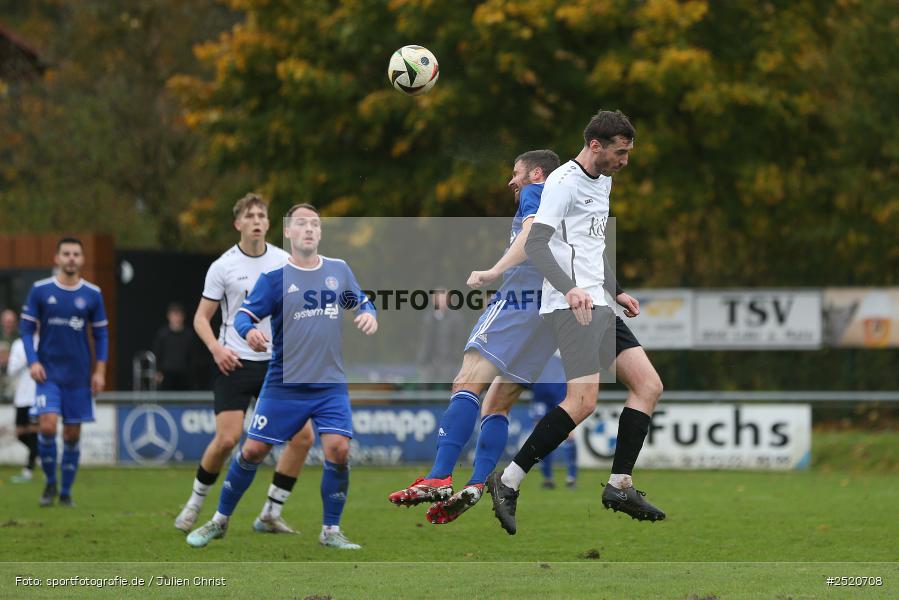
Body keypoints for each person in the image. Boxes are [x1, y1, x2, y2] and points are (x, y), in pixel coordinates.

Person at [487, 110, 665, 536]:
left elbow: (593, 244)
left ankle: (620, 485)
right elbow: (537, 245)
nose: (624, 161)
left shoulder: (604, 181)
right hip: (570, 306)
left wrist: (616, 290)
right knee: (582, 402)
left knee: (648, 386)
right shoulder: (562, 184)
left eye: (628, 153)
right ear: (595, 145)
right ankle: (507, 481)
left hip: (598, 302)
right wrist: (569, 289)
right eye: (619, 153)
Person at [186, 203, 377, 550]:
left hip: (329, 384)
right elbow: (243, 316)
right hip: (284, 384)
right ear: (288, 232)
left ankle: (330, 530)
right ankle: (219, 520)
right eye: (300, 224)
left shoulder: (338, 269)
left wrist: (368, 314)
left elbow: (362, 302)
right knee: (253, 450)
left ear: (320, 232)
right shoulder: (274, 279)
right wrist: (249, 332)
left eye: (314, 224)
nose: (309, 229)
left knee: (338, 449)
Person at [388, 149, 561, 508]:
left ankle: (438, 476)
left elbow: (530, 234)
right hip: (551, 314)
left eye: (516, 173)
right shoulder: (568, 201)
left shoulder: (536, 191)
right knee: (498, 403)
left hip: (520, 298)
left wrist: (495, 270)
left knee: (467, 381)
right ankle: (478, 482)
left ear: (536, 173)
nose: (512, 181)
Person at [174, 193, 315, 535]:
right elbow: (200, 318)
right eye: (250, 216)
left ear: (269, 224)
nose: (256, 221)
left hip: (277, 365)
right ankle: (194, 503)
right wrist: (216, 350)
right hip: (234, 362)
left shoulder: (284, 261)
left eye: (261, 216)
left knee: (303, 437)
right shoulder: (223, 266)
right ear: (238, 223)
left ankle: (270, 513)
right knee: (227, 440)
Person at [19, 237, 109, 507]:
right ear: (56, 258)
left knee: (72, 434)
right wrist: (33, 362)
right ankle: (50, 484)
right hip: (48, 375)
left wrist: (100, 372)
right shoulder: (40, 290)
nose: (71, 258)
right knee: (47, 425)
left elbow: (101, 335)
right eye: (66, 253)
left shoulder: (92, 293)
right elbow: (26, 330)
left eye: (76, 254)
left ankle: (66, 492)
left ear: (82, 259)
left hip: (78, 377)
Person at [529, 352, 577, 490]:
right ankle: (547, 478)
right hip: (540, 390)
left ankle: (571, 477)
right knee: (540, 434)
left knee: (568, 430)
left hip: (559, 387)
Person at [417, 288, 467, 386]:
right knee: (425, 384)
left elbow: (459, 340)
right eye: (438, 299)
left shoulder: (456, 318)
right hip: (430, 362)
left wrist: (454, 358)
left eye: (443, 299)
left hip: (449, 362)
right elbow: (425, 341)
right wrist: (423, 359)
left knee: (447, 386)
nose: (441, 301)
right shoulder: (429, 318)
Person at [152, 303, 194, 391]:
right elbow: (157, 353)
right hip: (166, 374)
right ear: (169, 316)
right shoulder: (162, 334)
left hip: (184, 374)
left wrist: (192, 373)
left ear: (183, 317)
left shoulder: (189, 335)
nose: (176, 318)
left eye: (178, 315)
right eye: (174, 315)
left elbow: (193, 355)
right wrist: (157, 371)